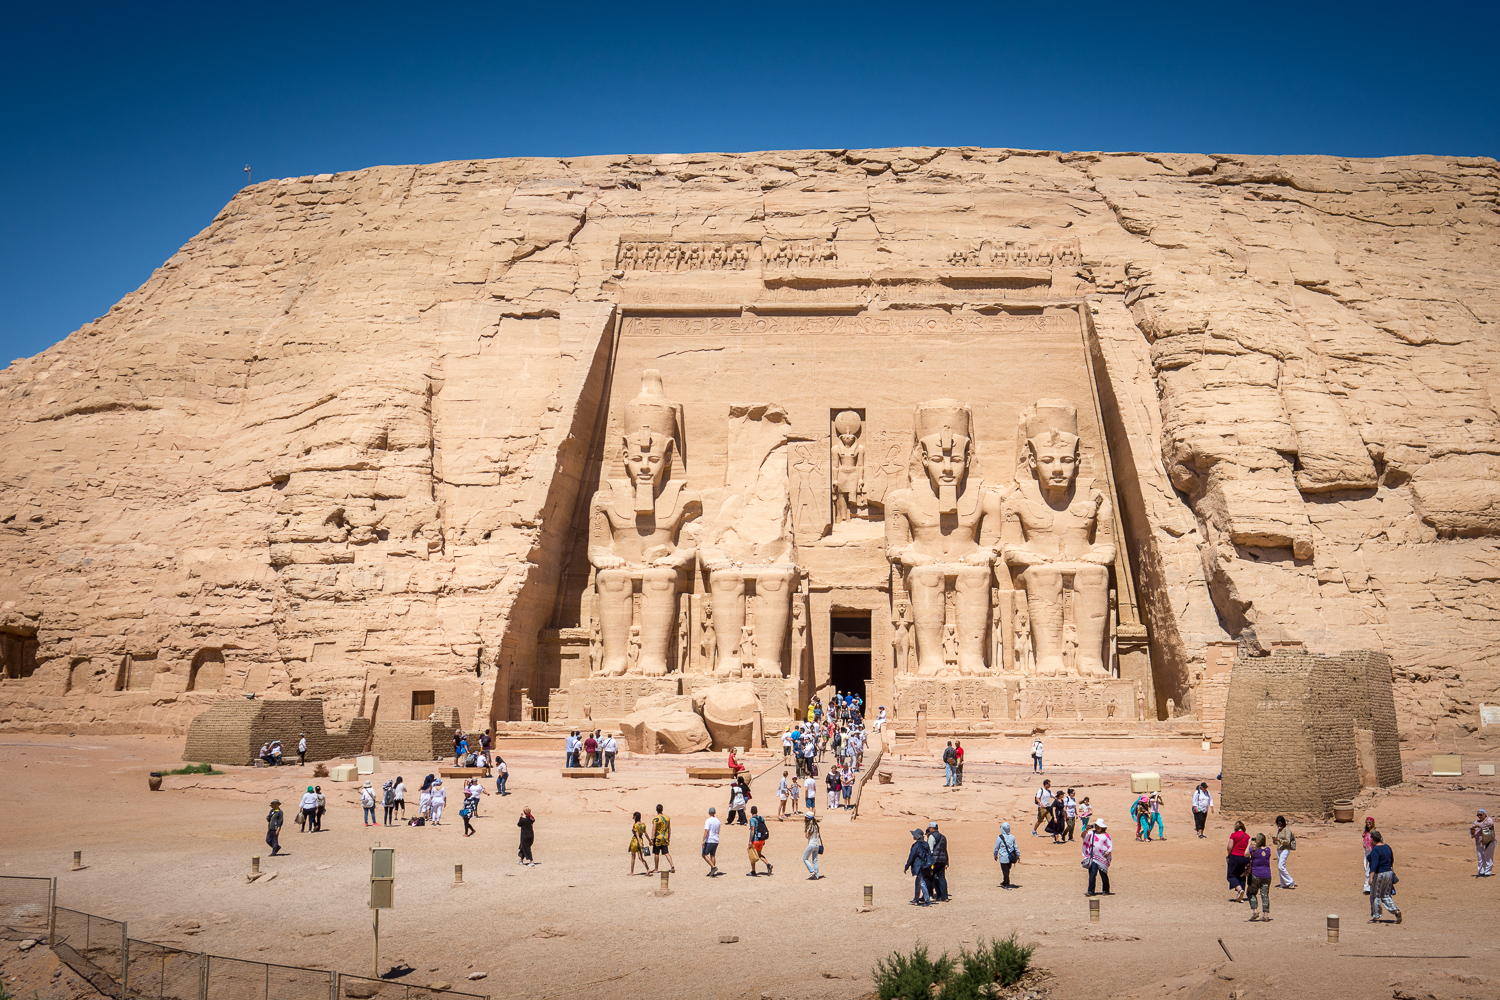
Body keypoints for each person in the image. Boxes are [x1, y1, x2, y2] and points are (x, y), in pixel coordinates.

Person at [1366, 830, 1400, 923]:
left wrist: (1370, 877)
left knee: (1375, 895)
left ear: (1372, 839)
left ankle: (1376, 916)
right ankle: (1396, 911)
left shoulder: (1376, 850)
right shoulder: (1387, 847)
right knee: (1385, 895)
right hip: (1389, 872)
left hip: (1379, 874)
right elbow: (1391, 861)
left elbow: (1374, 865)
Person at [1247, 833, 1273, 920]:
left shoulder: (1253, 850)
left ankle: (1255, 911)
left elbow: (1246, 854)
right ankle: (1265, 915)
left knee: (1251, 893)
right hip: (1267, 875)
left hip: (1256, 875)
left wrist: (1249, 844)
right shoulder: (1268, 850)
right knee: (1265, 894)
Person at [1083, 819, 1112, 896]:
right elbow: (1083, 837)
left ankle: (1106, 890)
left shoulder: (1106, 835)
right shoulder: (1091, 833)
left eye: (1099, 826)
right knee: (1092, 874)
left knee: (1103, 874)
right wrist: (1086, 829)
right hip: (1093, 857)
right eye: (1097, 826)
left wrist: (1108, 853)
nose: (1098, 827)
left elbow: (1110, 845)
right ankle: (1090, 891)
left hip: (1103, 858)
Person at [905, 828, 933, 905]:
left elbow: (911, 857)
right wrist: (930, 868)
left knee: (921, 882)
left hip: (919, 866)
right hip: (925, 866)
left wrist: (906, 866)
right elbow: (930, 856)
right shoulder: (926, 844)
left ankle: (927, 901)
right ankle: (916, 899)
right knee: (918, 882)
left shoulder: (916, 845)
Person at [1227, 820, 1250, 902]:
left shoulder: (1233, 835)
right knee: (1242, 875)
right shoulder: (1247, 836)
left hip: (1235, 856)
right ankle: (1240, 895)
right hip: (1245, 858)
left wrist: (1229, 855)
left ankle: (1239, 889)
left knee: (1231, 875)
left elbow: (1230, 847)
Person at [927, 821, 949, 902]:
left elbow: (930, 850)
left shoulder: (931, 837)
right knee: (942, 878)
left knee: (930, 877)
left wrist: (929, 861)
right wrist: (947, 862)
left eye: (929, 828)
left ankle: (930, 894)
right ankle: (944, 896)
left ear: (932, 828)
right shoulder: (943, 837)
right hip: (942, 861)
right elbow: (945, 850)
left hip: (934, 861)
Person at [747, 806, 773, 876]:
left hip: (755, 839)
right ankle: (768, 865)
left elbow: (752, 830)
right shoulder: (761, 818)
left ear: (750, 812)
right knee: (759, 854)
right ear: (757, 811)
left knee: (752, 854)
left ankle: (753, 871)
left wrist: (750, 840)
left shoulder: (752, 819)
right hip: (762, 839)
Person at [993, 820, 1020, 888]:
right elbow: (1015, 847)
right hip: (1010, 857)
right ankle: (1004, 882)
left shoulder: (999, 838)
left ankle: (1007, 885)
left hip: (1003, 857)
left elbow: (996, 848)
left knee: (1005, 872)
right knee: (1007, 871)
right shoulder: (1012, 837)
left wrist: (995, 855)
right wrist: (1018, 855)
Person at [1273, 816, 1297, 888]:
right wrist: (1275, 840)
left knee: (1281, 866)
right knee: (1279, 866)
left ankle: (1291, 881)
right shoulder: (1279, 830)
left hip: (1285, 849)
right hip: (1279, 849)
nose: (1279, 825)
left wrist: (1279, 840)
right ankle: (1283, 884)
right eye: (1277, 823)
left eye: (1279, 823)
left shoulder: (1287, 830)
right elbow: (1277, 842)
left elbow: (1287, 841)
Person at [651, 803, 675, 873]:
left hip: (658, 838)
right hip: (664, 837)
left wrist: (652, 839)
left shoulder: (656, 819)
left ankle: (656, 869)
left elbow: (654, 829)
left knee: (656, 853)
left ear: (656, 810)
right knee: (666, 852)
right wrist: (669, 837)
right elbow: (669, 829)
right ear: (662, 809)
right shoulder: (667, 817)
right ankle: (672, 865)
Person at [1471, 809, 1495, 877]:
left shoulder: (1489, 820)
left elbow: (1489, 824)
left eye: (1480, 815)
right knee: (1480, 857)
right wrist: (1473, 831)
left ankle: (1488, 872)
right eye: (1478, 815)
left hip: (1489, 841)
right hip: (1479, 842)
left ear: (1484, 814)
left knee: (1488, 856)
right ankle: (1481, 871)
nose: (1479, 816)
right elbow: (1473, 833)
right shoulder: (1476, 822)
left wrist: (1479, 825)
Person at [702, 807, 722, 876]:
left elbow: (706, 830)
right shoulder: (718, 821)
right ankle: (712, 872)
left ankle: (713, 867)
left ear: (709, 813)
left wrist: (703, 840)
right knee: (712, 855)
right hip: (716, 840)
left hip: (709, 840)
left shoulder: (708, 820)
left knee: (704, 855)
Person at [803, 810, 822, 879]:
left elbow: (807, 836)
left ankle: (812, 871)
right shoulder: (816, 826)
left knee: (805, 858)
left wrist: (806, 831)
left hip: (811, 844)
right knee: (815, 860)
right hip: (817, 844)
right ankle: (816, 875)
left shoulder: (809, 826)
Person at [1362, 816, 1376, 893]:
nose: (1368, 824)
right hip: (1367, 852)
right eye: (1366, 822)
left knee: (1371, 869)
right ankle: (1367, 887)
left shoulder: (1374, 832)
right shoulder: (1365, 833)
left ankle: (1369, 887)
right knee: (1367, 868)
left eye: (1369, 822)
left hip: (1373, 852)